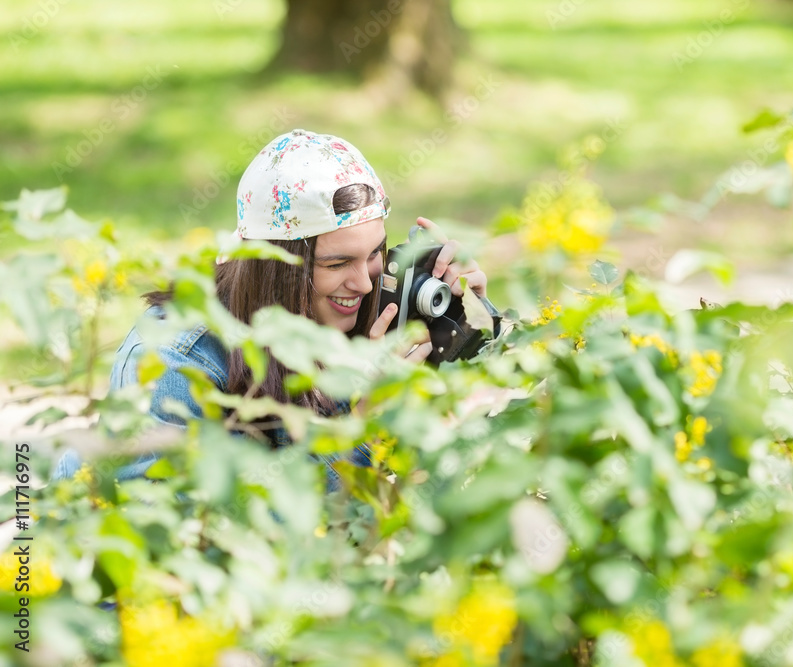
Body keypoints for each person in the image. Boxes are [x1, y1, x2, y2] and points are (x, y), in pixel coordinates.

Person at [53, 129, 488, 488]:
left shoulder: (375, 306)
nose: (363, 281)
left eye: (374, 252)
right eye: (337, 263)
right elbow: (179, 545)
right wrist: (363, 429)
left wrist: (470, 317)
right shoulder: (176, 361)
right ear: (275, 265)